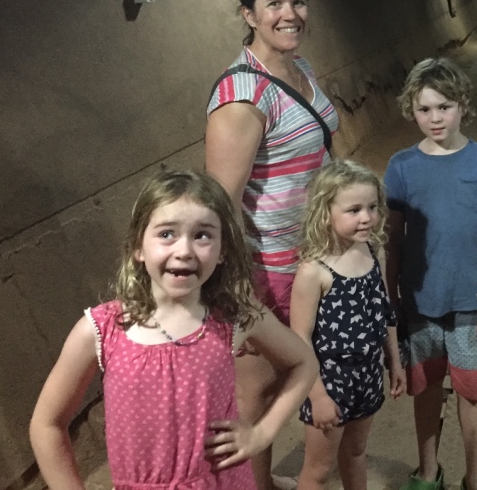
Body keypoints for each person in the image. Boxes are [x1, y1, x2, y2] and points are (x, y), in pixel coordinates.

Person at [29, 170, 318, 490]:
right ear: (138, 246)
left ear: (223, 250)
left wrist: (261, 435)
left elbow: (302, 363)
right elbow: (46, 424)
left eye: (202, 235)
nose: (184, 251)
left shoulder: (234, 318)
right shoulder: (101, 330)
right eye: (167, 234)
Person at [205, 0, 338, 490]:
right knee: (256, 395)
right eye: (275, 3)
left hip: (312, 259)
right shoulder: (241, 95)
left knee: (300, 378)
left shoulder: (300, 69)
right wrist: (237, 293)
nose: (290, 14)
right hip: (267, 270)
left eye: (298, 2)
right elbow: (221, 204)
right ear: (249, 14)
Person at [384, 58, 477, 490]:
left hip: (471, 304)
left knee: (473, 394)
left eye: (444, 107)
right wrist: (391, 299)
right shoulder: (401, 166)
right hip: (419, 303)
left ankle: (474, 480)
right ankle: (428, 472)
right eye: (424, 109)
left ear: (462, 105)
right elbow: (394, 239)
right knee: (424, 390)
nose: (435, 118)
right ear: (412, 111)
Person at [290, 159, 406, 490]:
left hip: (368, 374)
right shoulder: (314, 271)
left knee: (356, 453)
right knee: (320, 468)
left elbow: (385, 311)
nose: (366, 217)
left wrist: (394, 361)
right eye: (354, 210)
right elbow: (300, 339)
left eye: (372, 207)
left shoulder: (372, 251)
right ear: (325, 212)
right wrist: (317, 396)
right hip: (329, 380)